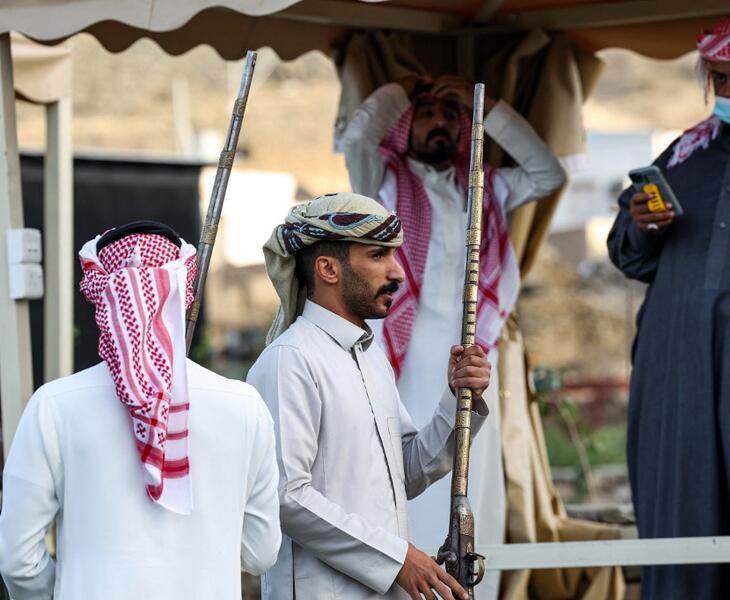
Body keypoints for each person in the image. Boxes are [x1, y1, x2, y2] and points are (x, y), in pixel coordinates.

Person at [339, 74, 566, 598]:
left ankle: (470, 591)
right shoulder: (382, 181)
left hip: (473, 353)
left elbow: (547, 172)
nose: (439, 123)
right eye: (426, 114)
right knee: (409, 466)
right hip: (403, 353)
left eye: (449, 116)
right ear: (405, 125)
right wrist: (402, 87)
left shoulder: (483, 186)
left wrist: (488, 107)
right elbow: (356, 138)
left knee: (473, 472)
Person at [607, 13, 730, 599]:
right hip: (676, 368)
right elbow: (627, 255)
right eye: (722, 79)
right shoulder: (683, 155)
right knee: (679, 500)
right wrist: (643, 226)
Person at [0, 221, 282, 599]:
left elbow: (18, 560)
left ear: (99, 297)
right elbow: (260, 553)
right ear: (186, 295)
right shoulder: (245, 407)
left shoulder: (53, 406)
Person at [248, 193, 492, 600]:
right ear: (328, 269)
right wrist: (395, 560)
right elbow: (285, 495)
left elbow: (407, 473)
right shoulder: (290, 360)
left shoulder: (371, 357)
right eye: (378, 256)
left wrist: (458, 400)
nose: (397, 273)